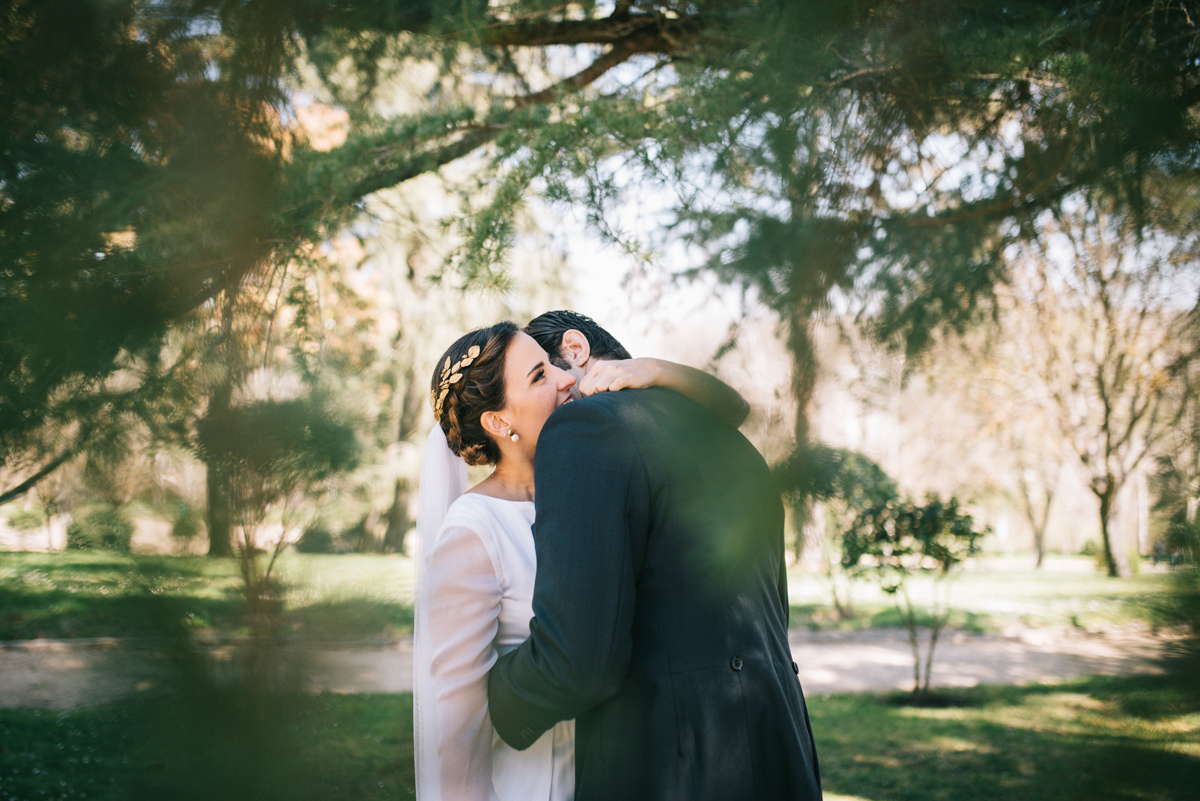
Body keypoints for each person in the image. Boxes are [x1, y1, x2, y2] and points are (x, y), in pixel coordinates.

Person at [487, 310, 822, 801]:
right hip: (782, 749)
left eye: (546, 371)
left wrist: (483, 699)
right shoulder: (720, 434)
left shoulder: (583, 427)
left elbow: (578, 661)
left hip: (672, 768)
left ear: (575, 351)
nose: (555, 391)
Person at [414, 318, 750, 801]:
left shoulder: (586, 491)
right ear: (498, 422)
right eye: (538, 376)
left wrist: (652, 370)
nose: (565, 377)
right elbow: (457, 728)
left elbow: (728, 412)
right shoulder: (474, 531)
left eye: (553, 364)